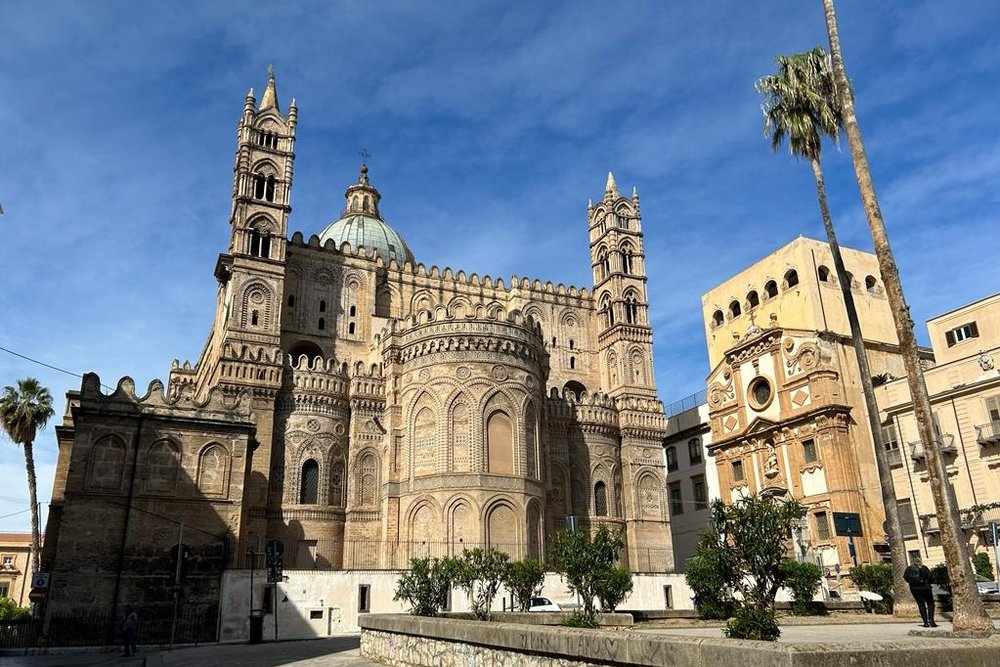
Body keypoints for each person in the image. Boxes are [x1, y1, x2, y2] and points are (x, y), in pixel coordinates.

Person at [903, 555, 937, 628]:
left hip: (914, 589)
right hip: (926, 588)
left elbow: (905, 577)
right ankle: (931, 621)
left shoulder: (908, 569)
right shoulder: (924, 568)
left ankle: (925, 623)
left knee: (921, 605)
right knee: (930, 603)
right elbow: (930, 577)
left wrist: (912, 583)